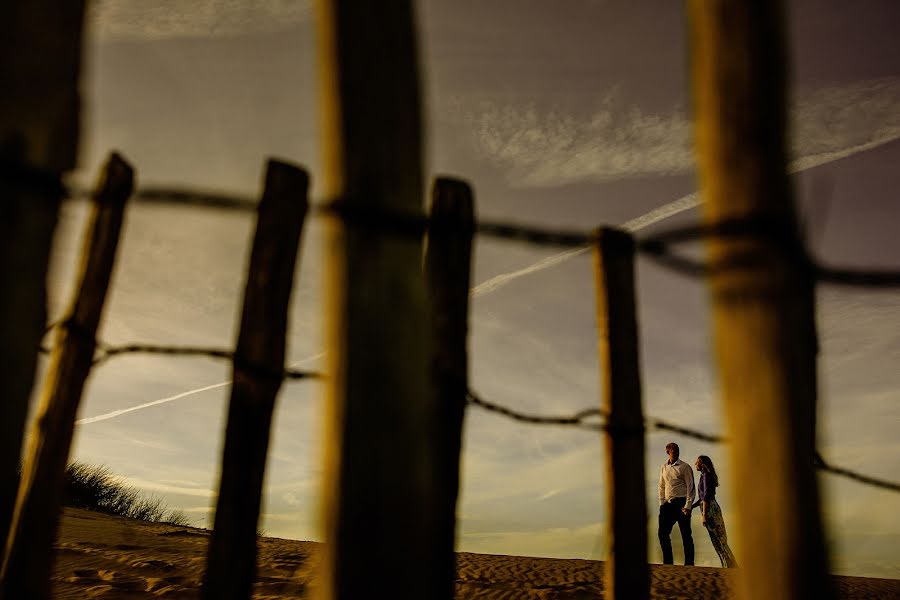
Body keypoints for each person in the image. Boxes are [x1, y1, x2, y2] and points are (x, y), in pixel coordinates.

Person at [692, 455, 738, 568]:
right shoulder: (703, 476)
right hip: (707, 507)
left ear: (702, 463)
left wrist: (704, 515)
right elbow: (702, 498)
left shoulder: (706, 476)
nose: (695, 464)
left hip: (710, 508)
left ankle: (731, 566)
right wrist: (691, 507)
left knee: (720, 538)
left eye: (697, 462)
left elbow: (706, 496)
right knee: (715, 540)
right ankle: (726, 565)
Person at [658, 442, 695, 565]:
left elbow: (690, 487)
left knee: (686, 535)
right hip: (667, 505)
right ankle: (668, 563)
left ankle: (689, 564)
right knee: (662, 533)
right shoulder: (663, 467)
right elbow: (661, 486)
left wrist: (688, 505)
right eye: (674, 450)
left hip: (682, 503)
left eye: (678, 450)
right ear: (668, 452)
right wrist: (662, 502)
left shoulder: (685, 467)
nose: (677, 452)